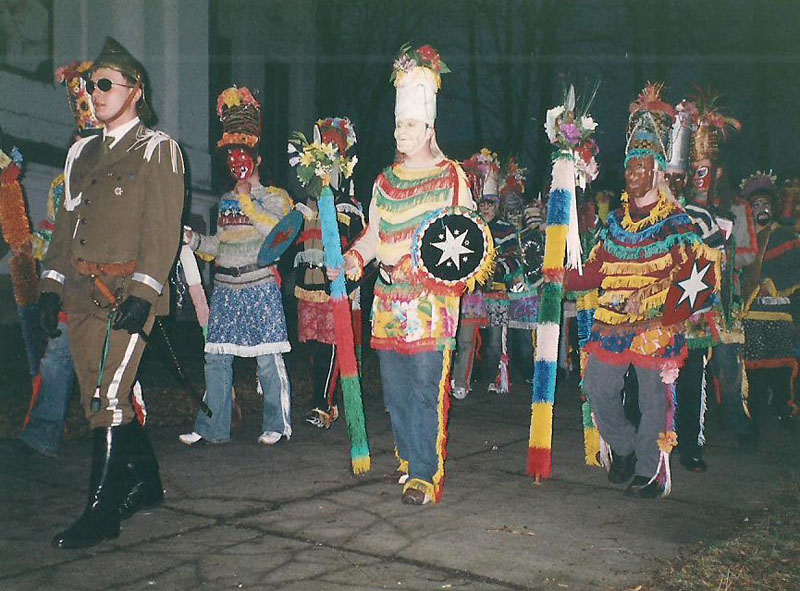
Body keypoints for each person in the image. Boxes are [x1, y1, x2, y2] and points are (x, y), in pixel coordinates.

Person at [39, 37, 184, 548]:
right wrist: (51, 286)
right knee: (96, 400)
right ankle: (145, 483)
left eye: (105, 84)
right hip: (83, 294)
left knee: (108, 396)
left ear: (135, 90)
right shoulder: (81, 152)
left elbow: (162, 231)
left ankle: (100, 514)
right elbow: (66, 227)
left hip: (127, 295)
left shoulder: (157, 150)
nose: (94, 93)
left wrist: (144, 294)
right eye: (90, 84)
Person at [329, 45, 472, 505]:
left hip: (430, 304)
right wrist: (355, 259)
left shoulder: (451, 177)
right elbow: (375, 233)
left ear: (429, 128)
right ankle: (410, 459)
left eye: (409, 125)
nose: (400, 133)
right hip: (388, 303)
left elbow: (466, 239)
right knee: (394, 393)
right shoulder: (385, 181)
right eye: (398, 125)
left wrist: (427, 270)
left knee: (426, 390)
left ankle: (425, 474)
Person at [566, 84, 705, 499]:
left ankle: (649, 472)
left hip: (655, 326)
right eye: (630, 166)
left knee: (652, 399)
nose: (633, 174)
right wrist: (559, 273)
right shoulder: (615, 224)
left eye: (641, 166)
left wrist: (653, 303)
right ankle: (624, 447)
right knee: (597, 387)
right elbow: (594, 272)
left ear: (658, 171)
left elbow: (696, 280)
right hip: (612, 322)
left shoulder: (677, 223)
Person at [179, 86, 293, 447]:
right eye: (230, 156)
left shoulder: (276, 197)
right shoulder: (226, 199)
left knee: (267, 359)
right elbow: (220, 245)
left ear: (257, 158)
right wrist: (196, 241)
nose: (235, 162)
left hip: (259, 286)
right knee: (216, 358)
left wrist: (248, 200)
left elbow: (275, 233)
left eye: (241, 154)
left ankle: (277, 424)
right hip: (226, 289)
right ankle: (212, 427)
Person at [665, 99, 724, 473]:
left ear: (686, 180)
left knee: (690, 382)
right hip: (656, 317)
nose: (672, 184)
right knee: (653, 384)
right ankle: (656, 443)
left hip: (693, 317)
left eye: (678, 178)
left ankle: (691, 446)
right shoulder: (647, 215)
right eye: (667, 177)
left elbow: (716, 262)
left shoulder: (702, 216)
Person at [294, 117, 364, 429]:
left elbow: (358, 250)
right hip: (307, 288)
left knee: (330, 344)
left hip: (334, 289)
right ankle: (324, 399)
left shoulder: (348, 207)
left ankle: (322, 404)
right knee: (314, 346)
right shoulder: (303, 206)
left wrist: (348, 282)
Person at [452, 149, 516, 398]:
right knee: (465, 339)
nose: (486, 207)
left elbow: (514, 259)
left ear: (497, 206)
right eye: (483, 203)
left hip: (497, 292)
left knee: (494, 342)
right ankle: (460, 381)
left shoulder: (506, 229)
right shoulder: (469, 227)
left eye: (491, 203)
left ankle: (491, 378)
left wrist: (495, 270)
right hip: (471, 293)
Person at [740, 171, 800, 431]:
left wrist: (772, 285)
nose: (762, 209)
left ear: (773, 207)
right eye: (756, 204)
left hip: (781, 314)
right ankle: (753, 416)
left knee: (782, 368)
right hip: (752, 316)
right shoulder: (743, 237)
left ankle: (784, 411)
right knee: (753, 370)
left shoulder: (785, 236)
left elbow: (795, 269)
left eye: (765, 204)